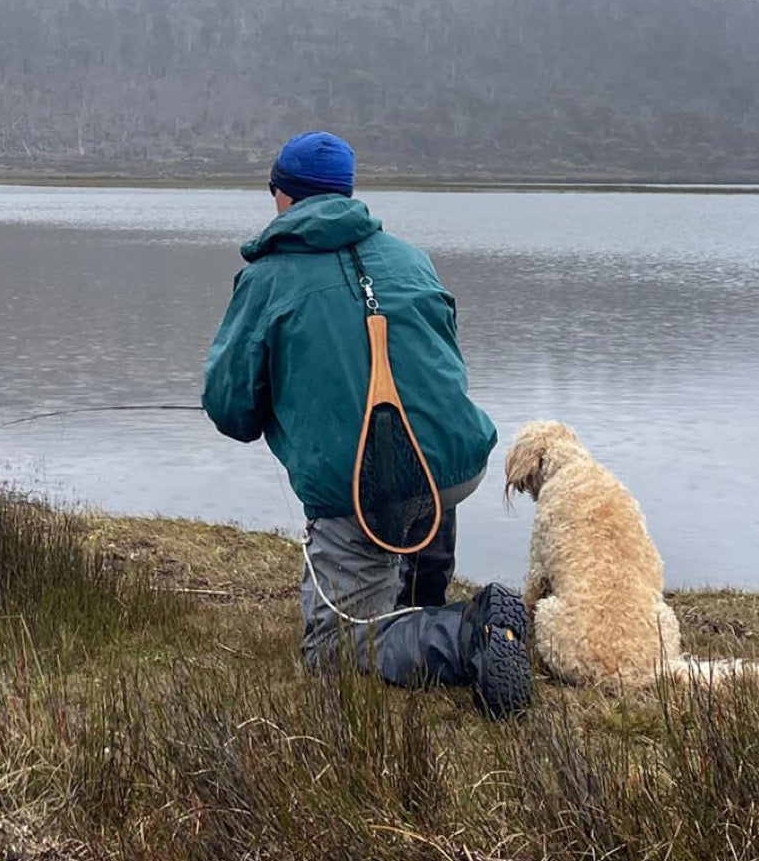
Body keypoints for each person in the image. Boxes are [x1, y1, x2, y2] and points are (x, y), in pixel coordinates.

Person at [201, 131, 532, 717]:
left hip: (370, 486)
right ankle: (422, 596)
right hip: (454, 465)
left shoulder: (266, 279)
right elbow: (442, 364)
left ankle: (472, 631)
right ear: (347, 193)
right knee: (415, 460)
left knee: (335, 652)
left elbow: (230, 409)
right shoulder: (410, 259)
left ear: (282, 195)